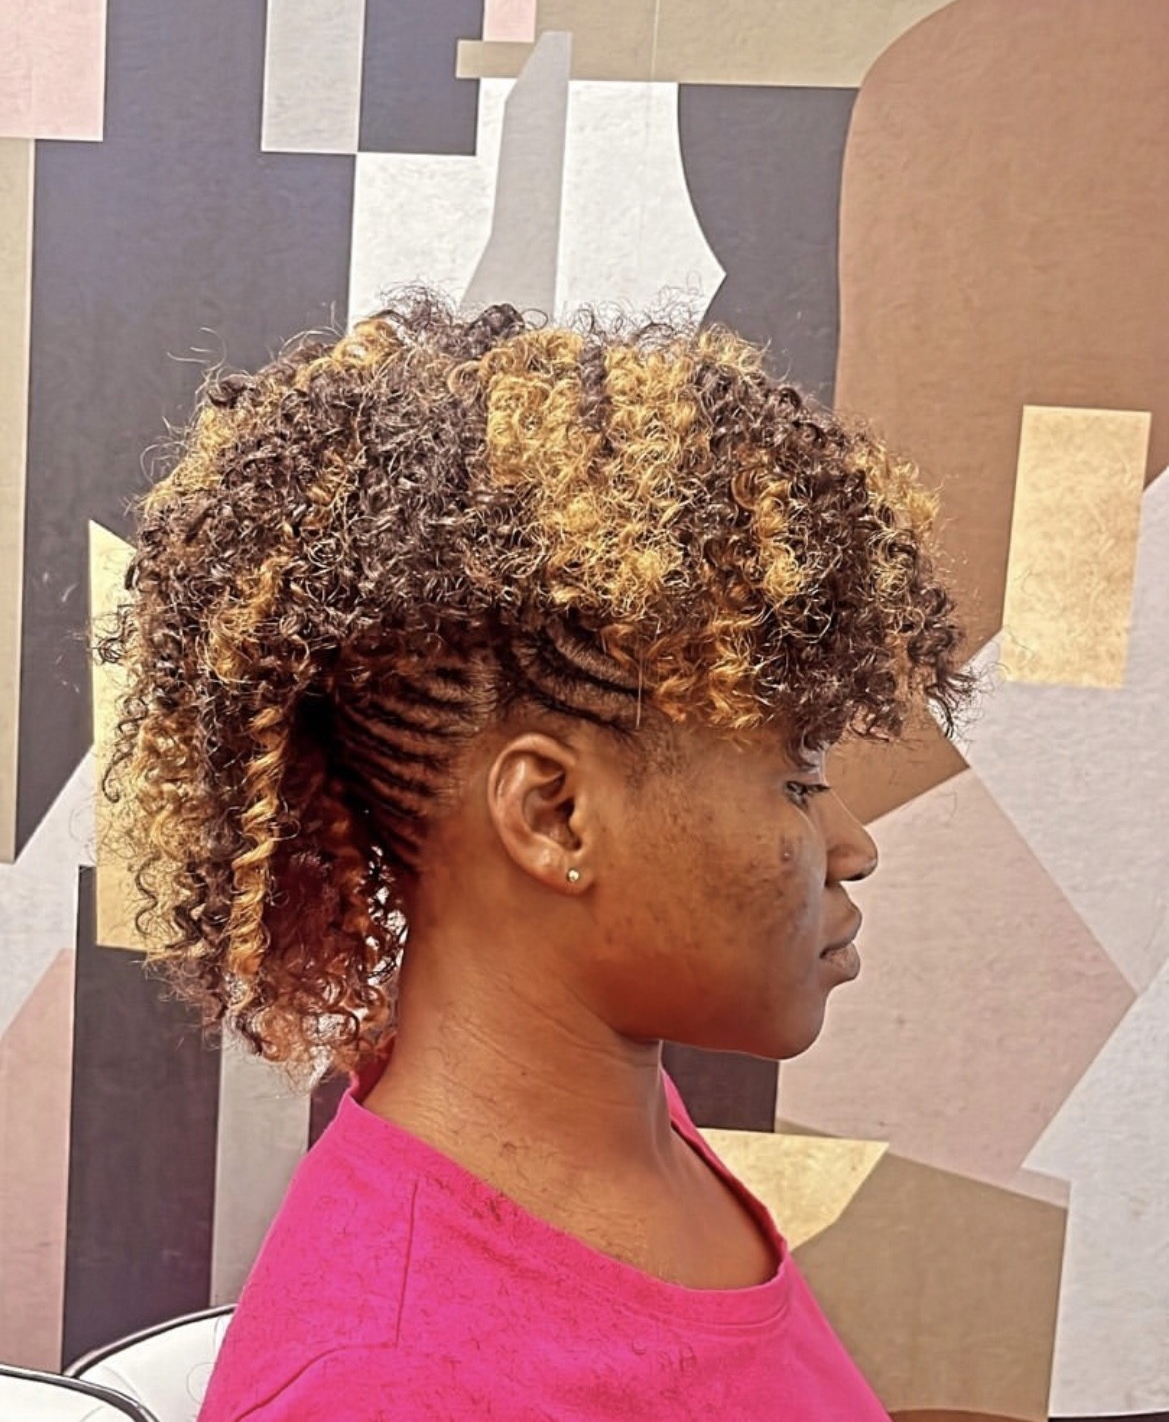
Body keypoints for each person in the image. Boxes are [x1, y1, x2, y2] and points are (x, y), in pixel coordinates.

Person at [94, 292, 971, 1419]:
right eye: (797, 778)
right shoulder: (384, 1391)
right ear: (554, 816)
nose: (852, 847)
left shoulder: (634, 1141)